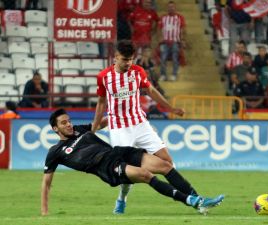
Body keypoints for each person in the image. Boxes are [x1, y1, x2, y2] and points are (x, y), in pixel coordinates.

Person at [41, 109, 224, 216]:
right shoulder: (55, 152)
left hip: (117, 153)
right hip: (106, 168)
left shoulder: (81, 130)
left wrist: (121, 114)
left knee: (165, 165)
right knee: (146, 175)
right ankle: (194, 201)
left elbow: (103, 123)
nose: (69, 124)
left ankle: (197, 198)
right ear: (55, 128)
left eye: (69, 121)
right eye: (64, 123)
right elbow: (47, 183)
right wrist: (44, 212)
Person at [91, 40, 186, 214]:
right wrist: (94, 128)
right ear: (116, 57)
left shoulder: (138, 72)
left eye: (131, 59)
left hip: (140, 123)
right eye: (125, 59)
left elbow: (152, 91)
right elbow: (101, 103)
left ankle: (188, 197)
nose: (128, 63)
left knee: (168, 161)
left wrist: (170, 108)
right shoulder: (104, 77)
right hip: (119, 128)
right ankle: (122, 198)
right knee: (129, 169)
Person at [158, 1, 186, 81]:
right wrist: (160, 40)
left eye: (172, 7)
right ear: (167, 8)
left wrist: (183, 40)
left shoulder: (180, 18)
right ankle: (163, 75)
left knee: (175, 58)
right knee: (163, 58)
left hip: (175, 42)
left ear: (175, 8)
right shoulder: (163, 17)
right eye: (169, 7)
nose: (171, 8)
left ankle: (174, 74)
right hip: (165, 42)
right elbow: (159, 29)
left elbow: (182, 30)